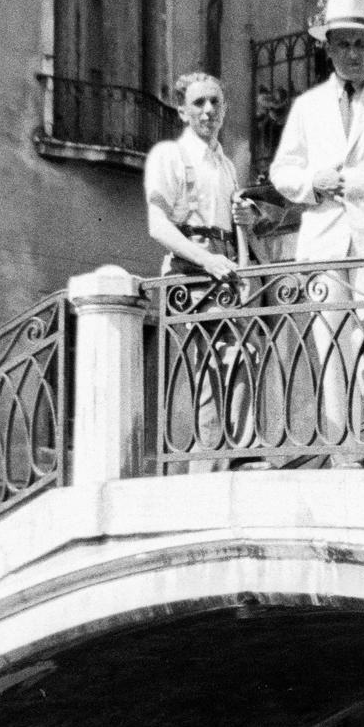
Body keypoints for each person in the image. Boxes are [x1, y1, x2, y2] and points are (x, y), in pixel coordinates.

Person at [266, 0, 364, 465]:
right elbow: (282, 171)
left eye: (361, 43)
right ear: (328, 49)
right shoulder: (308, 106)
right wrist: (311, 184)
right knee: (330, 343)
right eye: (344, 44)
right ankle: (343, 452)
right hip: (325, 243)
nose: (354, 53)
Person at [144, 71, 256, 469]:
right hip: (190, 272)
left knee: (241, 353)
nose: (208, 110)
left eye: (215, 102)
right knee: (213, 361)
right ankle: (215, 462)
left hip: (224, 272)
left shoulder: (225, 165)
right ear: (182, 111)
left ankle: (231, 455)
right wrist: (205, 259)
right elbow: (158, 225)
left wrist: (243, 222)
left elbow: (233, 229)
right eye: (199, 103)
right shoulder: (170, 156)